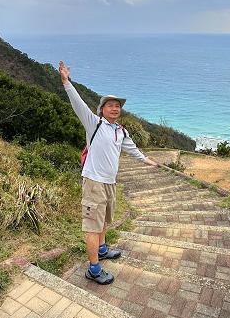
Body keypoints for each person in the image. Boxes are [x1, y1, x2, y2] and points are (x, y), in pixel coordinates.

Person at [58, 60, 157, 285]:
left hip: (110, 183)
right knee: (93, 225)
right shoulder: (94, 124)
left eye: (118, 106)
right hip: (94, 181)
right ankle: (93, 269)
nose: (115, 108)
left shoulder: (120, 131)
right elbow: (78, 103)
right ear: (102, 109)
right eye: (110, 105)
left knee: (104, 221)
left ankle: (102, 250)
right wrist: (66, 82)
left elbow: (132, 148)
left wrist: (145, 159)